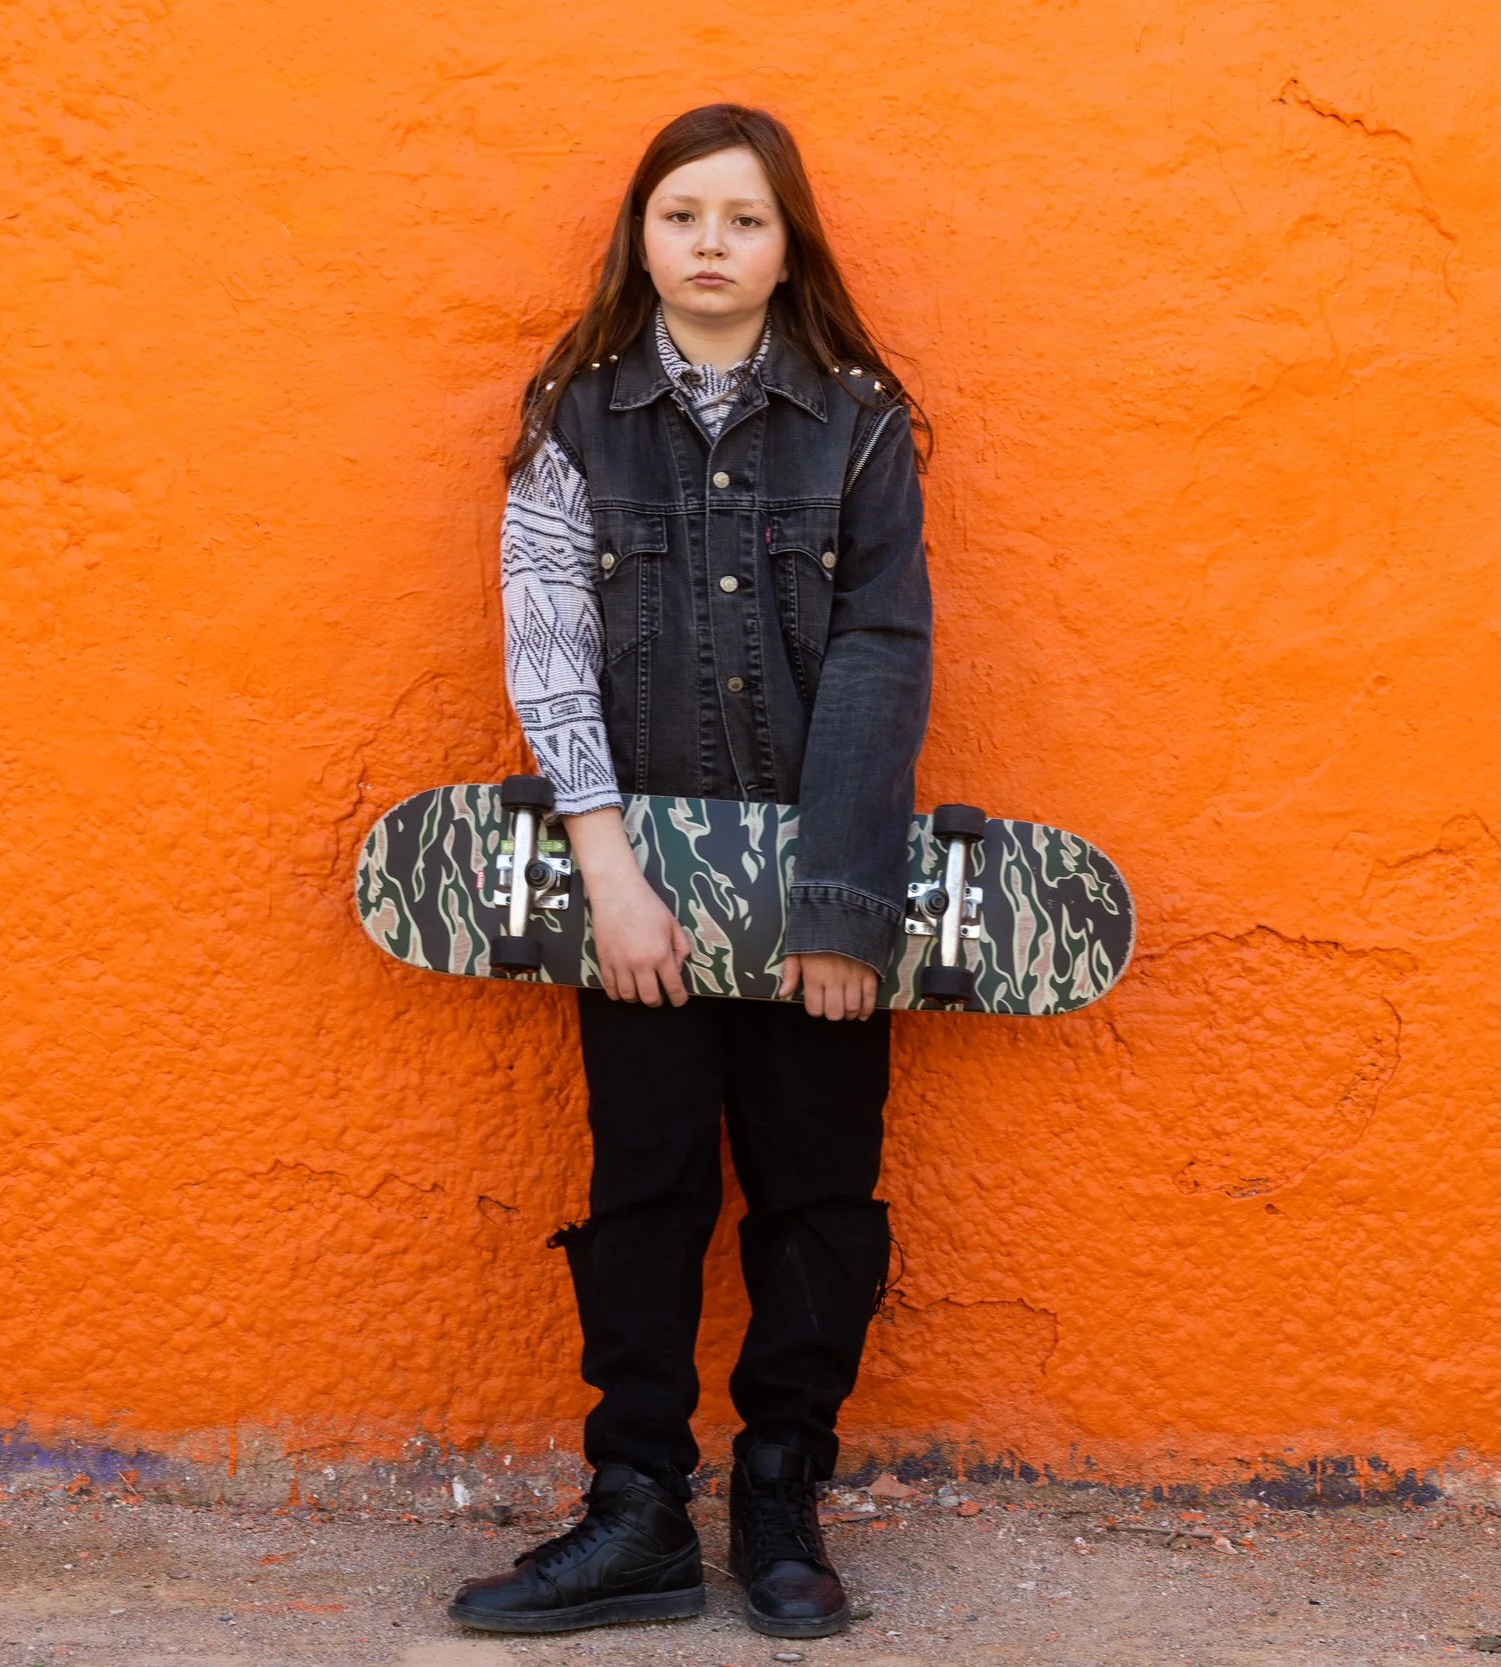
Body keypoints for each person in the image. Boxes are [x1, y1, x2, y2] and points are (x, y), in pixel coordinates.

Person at [445, 104, 933, 1642]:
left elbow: (881, 651)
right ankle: (636, 1510)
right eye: (682, 216)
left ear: (790, 246)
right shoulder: (573, 410)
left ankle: (782, 1495)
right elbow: (548, 642)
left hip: (818, 896)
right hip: (636, 887)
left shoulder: (857, 418)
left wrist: (842, 901)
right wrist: (609, 872)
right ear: (638, 236)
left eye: (744, 218)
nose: (711, 244)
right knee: (645, 1187)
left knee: (818, 1194)